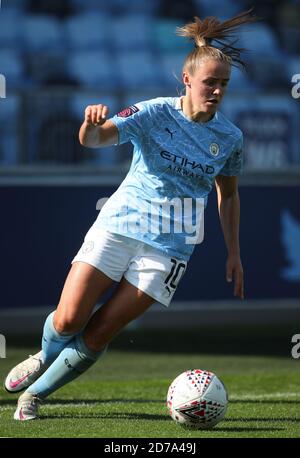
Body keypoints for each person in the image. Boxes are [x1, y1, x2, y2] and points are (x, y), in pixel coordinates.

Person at [4, 10, 256, 421]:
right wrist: (90, 126)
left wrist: (234, 253)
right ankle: (43, 355)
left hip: (171, 248)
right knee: (70, 318)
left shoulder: (229, 137)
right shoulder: (155, 112)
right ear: (187, 79)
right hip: (120, 225)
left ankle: (34, 395)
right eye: (210, 82)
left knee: (102, 330)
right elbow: (97, 139)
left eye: (224, 85)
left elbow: (228, 196)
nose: (216, 92)